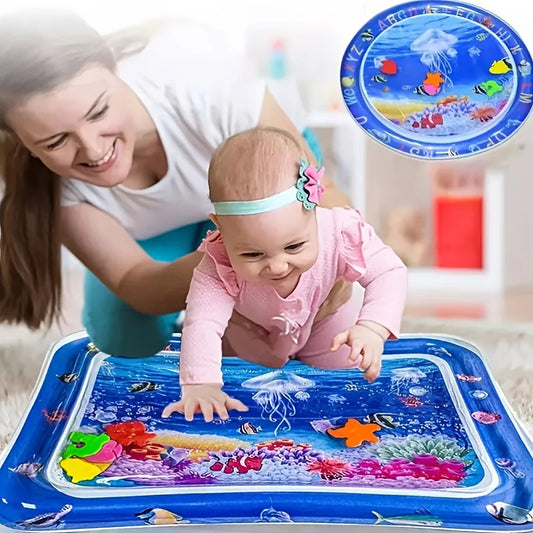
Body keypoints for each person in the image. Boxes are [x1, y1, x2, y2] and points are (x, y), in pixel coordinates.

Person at [0, 9, 353, 358]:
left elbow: (330, 201)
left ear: (115, 68)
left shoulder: (202, 78)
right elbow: (134, 281)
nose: (93, 149)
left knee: (319, 328)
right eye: (56, 141)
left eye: (98, 112)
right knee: (124, 335)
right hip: (171, 228)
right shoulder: (48, 184)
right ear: (22, 141)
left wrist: (330, 269)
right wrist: (223, 274)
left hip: (262, 184)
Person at [162, 127, 408, 423]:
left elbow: (389, 271)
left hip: (325, 322)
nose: (278, 266)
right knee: (244, 391)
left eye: (294, 246)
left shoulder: (340, 231)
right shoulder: (219, 263)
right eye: (252, 254)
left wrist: (372, 327)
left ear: (314, 207)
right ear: (221, 228)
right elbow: (202, 321)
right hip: (249, 330)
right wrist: (200, 383)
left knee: (348, 385)